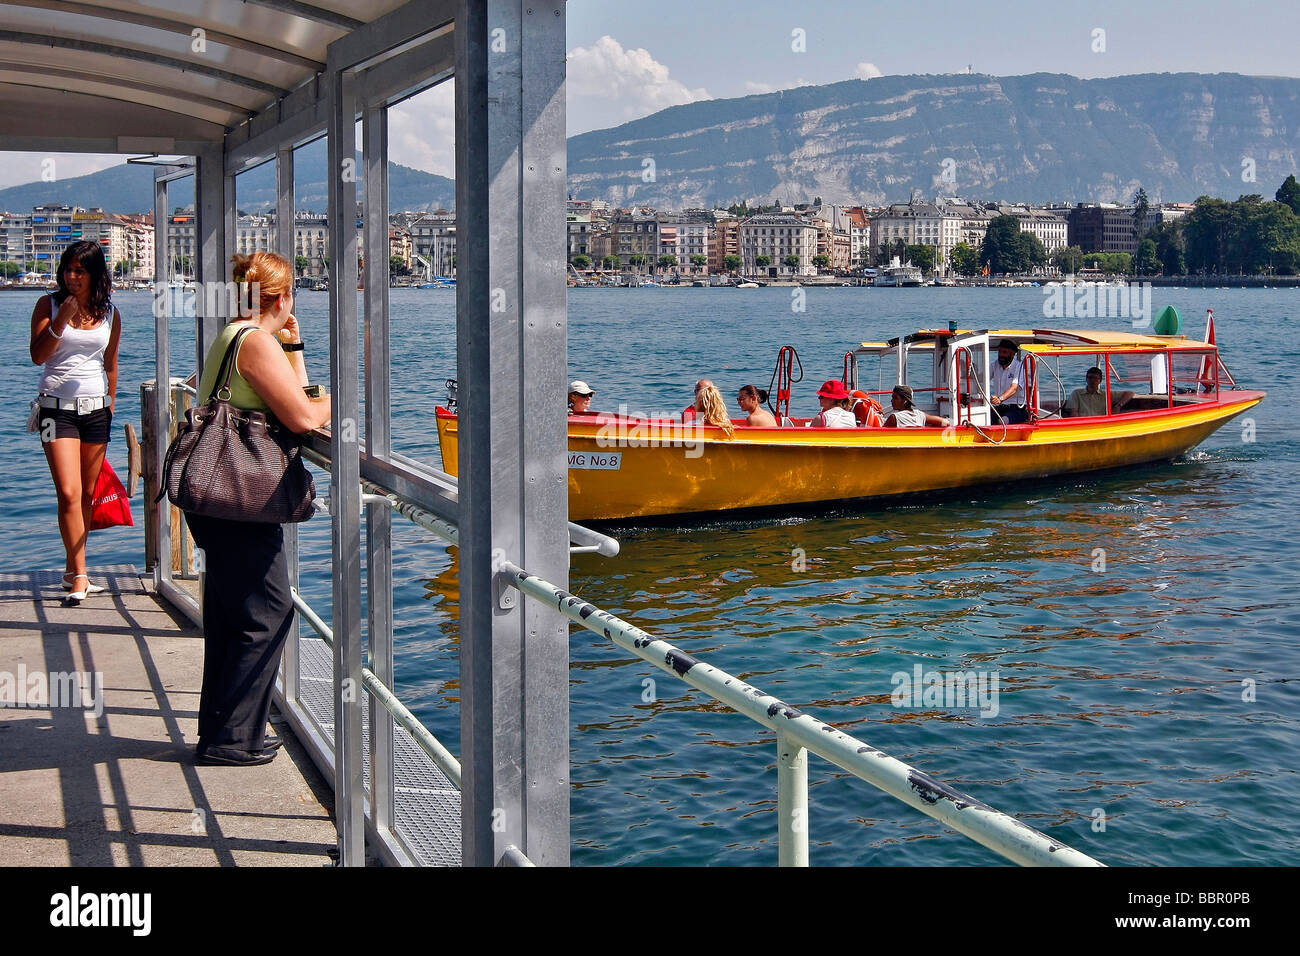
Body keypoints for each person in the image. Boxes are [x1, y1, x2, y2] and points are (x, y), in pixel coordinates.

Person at [187, 251, 331, 767]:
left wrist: (294, 345)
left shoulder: (235, 334)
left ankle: (224, 732)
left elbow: (294, 396)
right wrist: (332, 401)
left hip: (219, 496)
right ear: (283, 297)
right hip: (241, 498)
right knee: (269, 613)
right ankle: (231, 739)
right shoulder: (255, 342)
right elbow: (302, 415)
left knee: (233, 615)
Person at [28, 241, 123, 604]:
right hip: (55, 410)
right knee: (68, 492)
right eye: (68, 269)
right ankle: (81, 576)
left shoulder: (110, 313)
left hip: (96, 410)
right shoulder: (48, 305)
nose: (72, 277)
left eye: (80, 271)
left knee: (86, 493)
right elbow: (38, 357)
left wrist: (111, 406)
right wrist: (59, 322)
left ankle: (73, 569)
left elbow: (111, 364)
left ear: (94, 274)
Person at [1062, 366, 1135, 417]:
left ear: (1100, 381)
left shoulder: (1105, 394)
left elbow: (1130, 393)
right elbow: (1074, 413)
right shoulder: (1076, 393)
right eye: (1090, 377)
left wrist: (1118, 406)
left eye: (1095, 378)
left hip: (1101, 424)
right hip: (1083, 424)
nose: (1092, 380)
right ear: (1086, 379)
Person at [990, 338, 1030, 425]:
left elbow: (1014, 388)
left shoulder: (1019, 367)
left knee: (1002, 422)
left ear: (1013, 354)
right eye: (999, 352)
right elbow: (981, 378)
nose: (1001, 355)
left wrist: (1000, 399)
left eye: (1004, 352)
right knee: (983, 418)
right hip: (1000, 407)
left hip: (1017, 408)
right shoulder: (995, 365)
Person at [883, 384, 950, 428]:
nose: (892, 400)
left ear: (905, 400)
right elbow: (945, 423)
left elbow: (880, 434)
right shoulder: (920, 415)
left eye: (895, 398)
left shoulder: (894, 418)